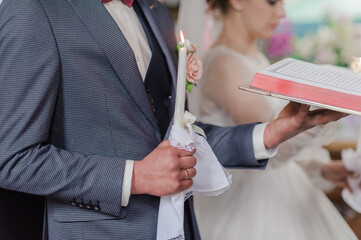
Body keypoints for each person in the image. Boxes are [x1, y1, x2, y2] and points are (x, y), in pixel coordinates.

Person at [0, 0, 346, 239]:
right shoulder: (35, 10)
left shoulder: (156, 13)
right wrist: (134, 176)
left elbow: (178, 136)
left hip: (182, 226)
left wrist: (273, 132)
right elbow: (11, 159)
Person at [177, 0, 359, 239]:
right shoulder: (224, 64)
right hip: (248, 208)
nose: (281, 13)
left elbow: (276, 153)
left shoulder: (259, 59)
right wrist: (325, 112)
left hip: (279, 190)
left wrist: (323, 168)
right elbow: (273, 142)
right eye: (272, 2)